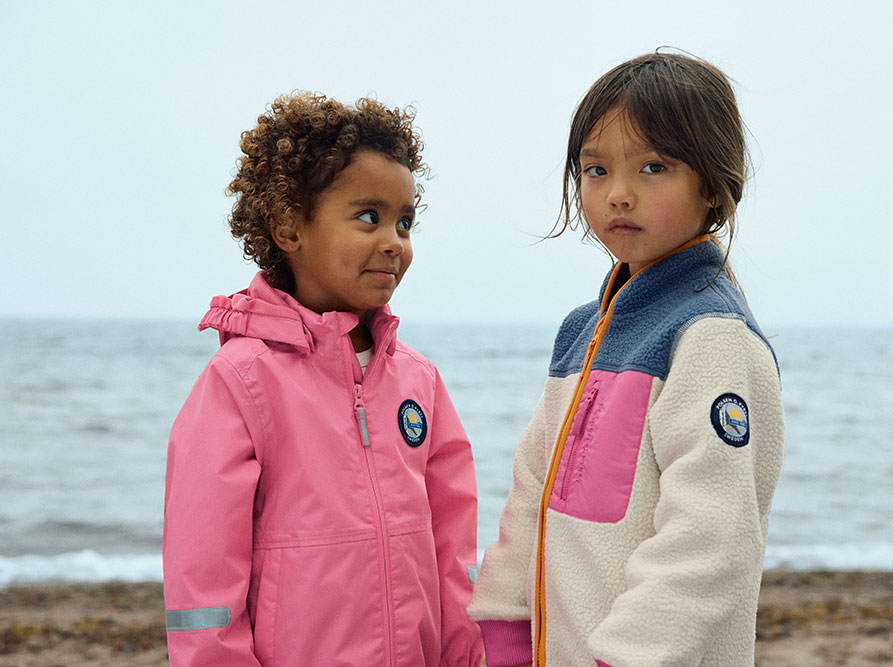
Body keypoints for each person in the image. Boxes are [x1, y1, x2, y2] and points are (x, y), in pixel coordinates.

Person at [467, 51, 785, 666]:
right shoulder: (581, 332)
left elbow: (711, 539)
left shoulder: (709, 337)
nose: (618, 194)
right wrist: (505, 628)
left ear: (712, 185)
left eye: (653, 166)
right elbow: (530, 497)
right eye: (595, 169)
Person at [163, 92, 483, 666]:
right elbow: (202, 578)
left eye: (404, 222)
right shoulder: (240, 382)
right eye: (369, 217)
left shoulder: (419, 381)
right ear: (289, 225)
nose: (393, 241)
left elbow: (454, 553)